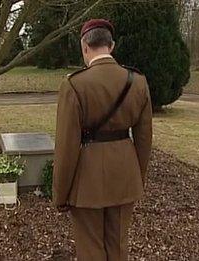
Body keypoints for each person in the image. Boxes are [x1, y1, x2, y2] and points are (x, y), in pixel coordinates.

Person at [52, 19, 153, 261]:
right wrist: (138, 177)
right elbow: (144, 138)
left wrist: (60, 194)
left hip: (87, 179)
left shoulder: (74, 85)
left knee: (90, 250)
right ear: (112, 45)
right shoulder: (137, 82)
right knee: (118, 247)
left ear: (85, 46)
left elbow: (66, 147)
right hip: (125, 174)